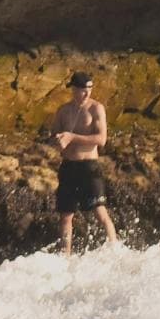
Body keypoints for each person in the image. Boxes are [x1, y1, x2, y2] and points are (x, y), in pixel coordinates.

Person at [48, 72, 118, 255]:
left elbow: (101, 139)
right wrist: (58, 140)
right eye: (82, 90)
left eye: (89, 89)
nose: (87, 93)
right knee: (66, 216)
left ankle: (115, 251)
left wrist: (72, 137)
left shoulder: (96, 108)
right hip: (69, 166)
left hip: (89, 166)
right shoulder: (63, 111)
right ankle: (66, 257)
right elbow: (53, 135)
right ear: (73, 89)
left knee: (100, 212)